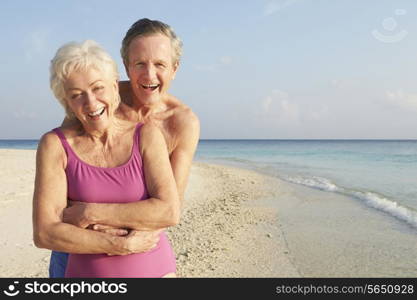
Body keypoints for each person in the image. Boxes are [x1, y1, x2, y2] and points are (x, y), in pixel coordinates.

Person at [48, 18, 200, 277]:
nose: (149, 75)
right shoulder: (98, 99)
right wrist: (94, 229)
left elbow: (170, 208)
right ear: (126, 67)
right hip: (78, 247)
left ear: (175, 68)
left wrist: (117, 236)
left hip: (139, 246)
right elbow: (65, 174)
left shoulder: (182, 123)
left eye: (160, 64)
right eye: (139, 63)